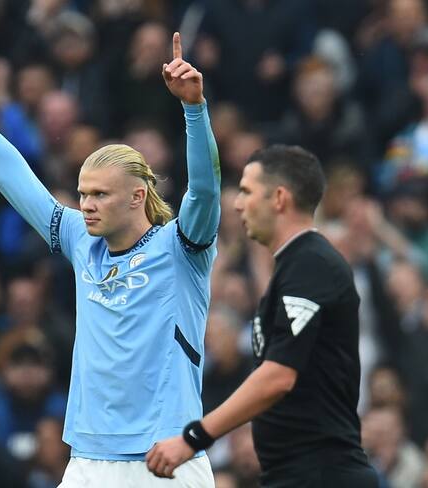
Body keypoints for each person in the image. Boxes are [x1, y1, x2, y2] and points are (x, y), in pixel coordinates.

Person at [0, 29, 220, 486]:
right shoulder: (79, 240)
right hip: (88, 458)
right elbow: (11, 174)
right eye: (82, 194)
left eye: (99, 195)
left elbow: (206, 189)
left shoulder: (183, 248)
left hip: (166, 454)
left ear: (137, 196)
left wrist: (194, 109)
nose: (86, 204)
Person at [147, 145, 378, 487]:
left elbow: (278, 376)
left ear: (279, 198)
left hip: (323, 474)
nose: (238, 204)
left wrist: (194, 437)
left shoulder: (311, 264)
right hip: (294, 474)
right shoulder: (292, 267)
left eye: (246, 191)